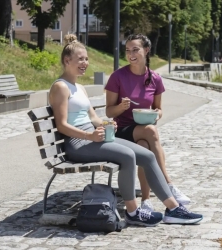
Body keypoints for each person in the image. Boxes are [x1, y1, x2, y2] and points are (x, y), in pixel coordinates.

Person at [48, 34, 203, 227]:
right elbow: (62, 125)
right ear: (67, 60)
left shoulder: (79, 87)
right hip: (78, 144)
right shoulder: (60, 87)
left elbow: (93, 118)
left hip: (93, 137)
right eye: (80, 59)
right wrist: (89, 135)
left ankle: (173, 209)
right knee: (128, 155)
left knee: (146, 155)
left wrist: (105, 125)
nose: (85, 63)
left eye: (86, 59)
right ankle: (132, 212)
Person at [105, 34, 190, 211]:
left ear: (146, 50)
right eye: (127, 50)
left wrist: (156, 114)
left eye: (135, 49)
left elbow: (159, 109)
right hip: (121, 131)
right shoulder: (117, 77)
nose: (130, 54)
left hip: (142, 131)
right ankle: (169, 185)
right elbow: (109, 111)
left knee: (145, 145)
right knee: (150, 132)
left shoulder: (155, 78)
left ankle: (146, 200)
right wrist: (121, 107)